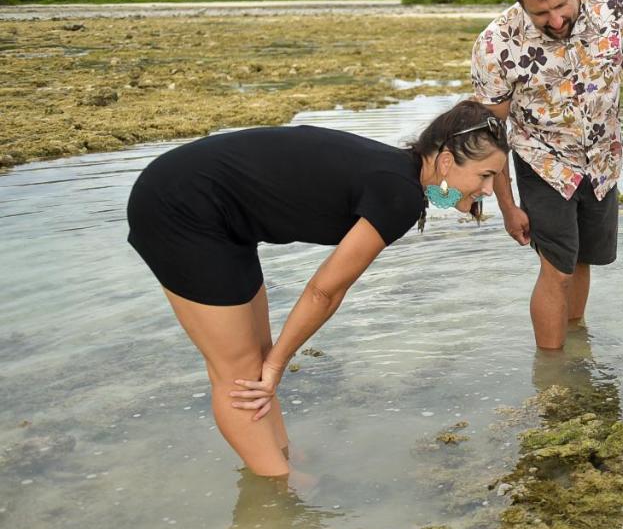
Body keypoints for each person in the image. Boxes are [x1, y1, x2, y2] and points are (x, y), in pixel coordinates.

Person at [126, 101, 509, 478]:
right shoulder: (400, 194)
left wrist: (273, 361)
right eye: (485, 175)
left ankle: (278, 458)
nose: (489, 190)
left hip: (222, 216)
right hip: (181, 206)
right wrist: (279, 365)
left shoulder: (399, 175)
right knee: (241, 376)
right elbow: (324, 292)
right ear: (445, 162)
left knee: (255, 361)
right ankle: (279, 494)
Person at [471, 0, 623, 350]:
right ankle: (552, 375)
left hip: (603, 158)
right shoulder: (495, 44)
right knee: (556, 269)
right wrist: (507, 205)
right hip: (543, 163)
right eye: (540, 14)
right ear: (520, 3)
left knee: (581, 260)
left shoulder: (613, 4)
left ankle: (576, 349)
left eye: (561, 5)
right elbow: (491, 132)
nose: (555, 20)